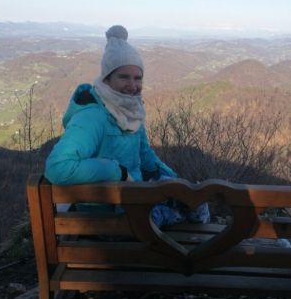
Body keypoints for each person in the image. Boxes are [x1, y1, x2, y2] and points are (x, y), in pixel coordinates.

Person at [45, 25, 208, 227]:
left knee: (198, 204)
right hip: (107, 218)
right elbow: (57, 168)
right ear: (107, 78)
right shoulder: (92, 117)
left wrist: (178, 183)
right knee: (194, 215)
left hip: (132, 201)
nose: (132, 85)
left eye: (137, 77)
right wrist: (116, 171)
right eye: (123, 77)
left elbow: (145, 156)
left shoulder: (130, 111)